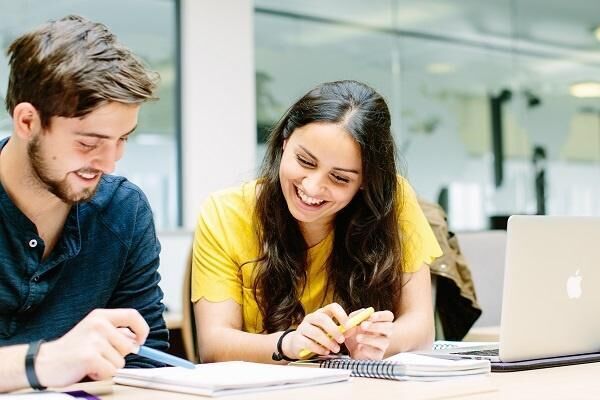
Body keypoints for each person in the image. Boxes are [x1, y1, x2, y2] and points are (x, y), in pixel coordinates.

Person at [192, 80, 442, 364]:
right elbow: (213, 345)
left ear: (365, 182)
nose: (312, 187)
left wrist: (378, 341)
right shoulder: (225, 212)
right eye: (305, 161)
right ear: (285, 143)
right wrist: (290, 343)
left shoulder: (394, 201)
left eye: (340, 178)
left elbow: (421, 328)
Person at [0, 15, 167, 392]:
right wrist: (42, 362)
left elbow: (146, 361)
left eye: (123, 138)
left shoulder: (124, 211)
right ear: (28, 121)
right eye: (89, 143)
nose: (109, 163)